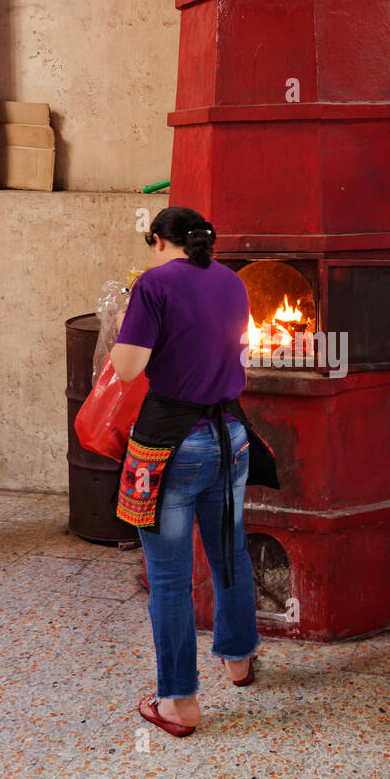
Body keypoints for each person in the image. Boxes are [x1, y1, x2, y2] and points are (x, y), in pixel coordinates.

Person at [110, 206, 279, 737]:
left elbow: (127, 368)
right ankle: (238, 660)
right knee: (229, 550)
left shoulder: (153, 285)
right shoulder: (233, 282)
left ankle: (179, 704)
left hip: (169, 447)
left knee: (168, 577)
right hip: (230, 436)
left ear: (159, 240)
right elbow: (241, 355)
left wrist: (125, 328)